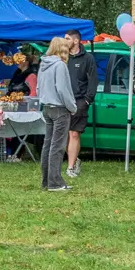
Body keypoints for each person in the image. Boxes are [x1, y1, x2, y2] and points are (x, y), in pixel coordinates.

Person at [37, 37, 76, 190]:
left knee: (48, 145)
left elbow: (39, 88)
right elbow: (62, 89)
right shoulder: (60, 65)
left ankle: (46, 181)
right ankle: (55, 182)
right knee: (57, 146)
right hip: (60, 108)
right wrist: (72, 107)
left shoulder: (43, 64)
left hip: (47, 107)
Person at [64, 30, 98, 178]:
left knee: (74, 133)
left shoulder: (87, 58)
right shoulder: (62, 56)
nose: (64, 41)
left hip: (79, 100)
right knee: (64, 135)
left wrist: (87, 100)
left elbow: (93, 80)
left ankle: (70, 167)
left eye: (67, 39)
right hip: (63, 100)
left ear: (76, 41)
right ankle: (75, 159)